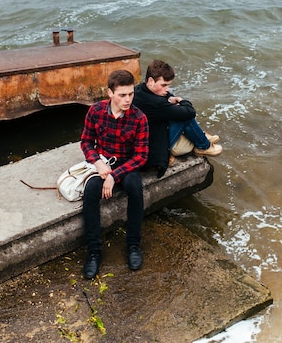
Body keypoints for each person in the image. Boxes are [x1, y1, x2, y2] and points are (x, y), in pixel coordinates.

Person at [80, 69, 149, 278]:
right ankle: (94, 251)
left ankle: (133, 245)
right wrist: (98, 163)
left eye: (131, 94)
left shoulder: (139, 118)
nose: (128, 99)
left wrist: (114, 175)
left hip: (127, 166)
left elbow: (141, 156)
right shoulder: (95, 111)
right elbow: (85, 142)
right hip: (103, 163)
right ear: (110, 93)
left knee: (135, 189)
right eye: (122, 95)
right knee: (90, 191)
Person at [133, 59, 221, 177]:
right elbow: (190, 112)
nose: (167, 89)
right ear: (150, 81)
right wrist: (181, 100)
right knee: (184, 117)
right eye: (164, 85)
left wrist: (170, 99)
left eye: (168, 85)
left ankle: (201, 136)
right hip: (154, 148)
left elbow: (167, 97)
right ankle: (203, 145)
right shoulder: (157, 103)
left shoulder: (138, 90)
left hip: (146, 136)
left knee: (178, 112)